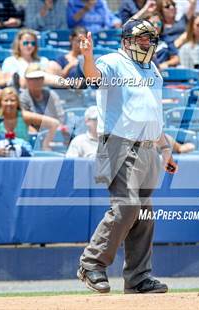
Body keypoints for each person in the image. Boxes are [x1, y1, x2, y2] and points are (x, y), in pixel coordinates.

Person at [76, 18, 178, 294]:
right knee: (127, 205)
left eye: (149, 39)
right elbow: (93, 77)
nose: (146, 43)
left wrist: (165, 148)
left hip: (147, 147)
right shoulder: (113, 61)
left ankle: (138, 278)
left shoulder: (152, 69)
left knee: (144, 213)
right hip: (119, 143)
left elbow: (152, 114)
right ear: (125, 41)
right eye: (140, 38)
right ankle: (91, 262)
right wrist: (87, 57)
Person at [0, 87, 60, 151]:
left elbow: (54, 123)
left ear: (17, 102)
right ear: (0, 102)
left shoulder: (24, 115)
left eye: (12, 100)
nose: (9, 103)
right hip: (2, 155)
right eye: (6, 100)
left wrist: (45, 146)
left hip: (24, 155)